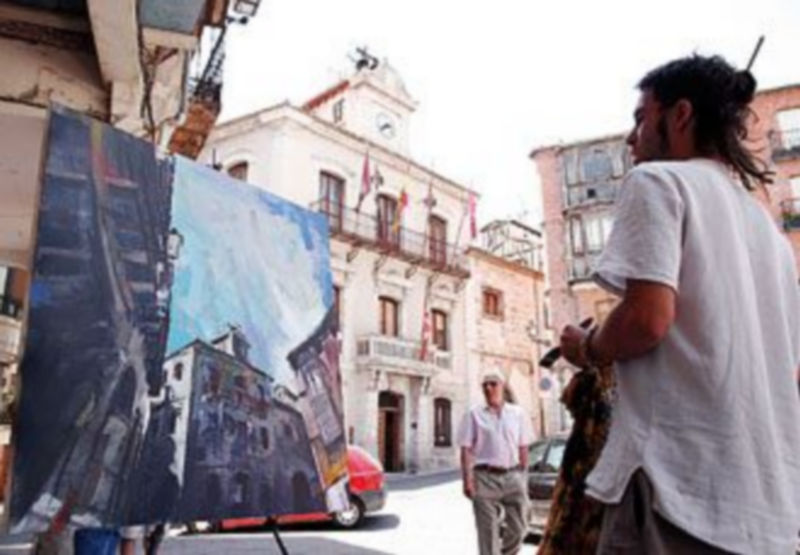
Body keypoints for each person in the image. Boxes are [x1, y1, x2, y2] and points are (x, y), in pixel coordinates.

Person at [559, 54, 800, 554]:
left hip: (677, 494)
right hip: (767, 516)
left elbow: (646, 319)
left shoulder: (658, 182)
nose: (632, 139)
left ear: (681, 114)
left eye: (640, 119)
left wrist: (588, 347)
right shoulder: (770, 234)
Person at [457, 370, 534, 555]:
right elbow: (466, 450)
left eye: (493, 384)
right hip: (484, 478)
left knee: (520, 527)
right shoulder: (473, 414)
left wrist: (523, 477)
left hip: (513, 476)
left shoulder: (518, 414)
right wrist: (467, 481)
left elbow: (524, 447)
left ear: (502, 386)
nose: (488, 388)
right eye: (485, 385)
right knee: (488, 533)